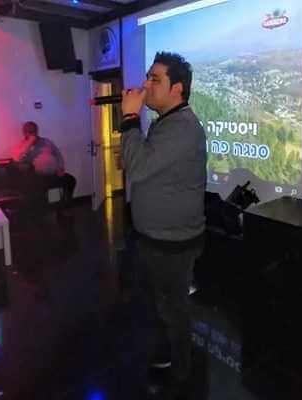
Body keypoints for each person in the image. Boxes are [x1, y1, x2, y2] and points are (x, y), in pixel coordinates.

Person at [119, 51, 206, 399]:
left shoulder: (182, 127)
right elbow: (146, 165)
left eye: (155, 79)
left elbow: (138, 168)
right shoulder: (166, 122)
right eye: (148, 76)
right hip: (156, 237)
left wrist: (129, 117)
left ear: (177, 89)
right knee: (161, 306)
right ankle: (168, 354)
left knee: (173, 310)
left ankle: (181, 375)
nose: (146, 84)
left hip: (172, 242)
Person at [11, 121, 76, 213]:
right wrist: (29, 142)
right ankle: (42, 212)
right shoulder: (23, 146)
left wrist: (60, 168)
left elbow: (58, 154)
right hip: (39, 176)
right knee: (36, 188)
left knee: (71, 180)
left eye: (34, 131)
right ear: (24, 133)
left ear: (37, 131)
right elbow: (17, 158)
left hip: (55, 173)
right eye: (29, 132)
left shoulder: (46, 141)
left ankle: (65, 206)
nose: (32, 133)